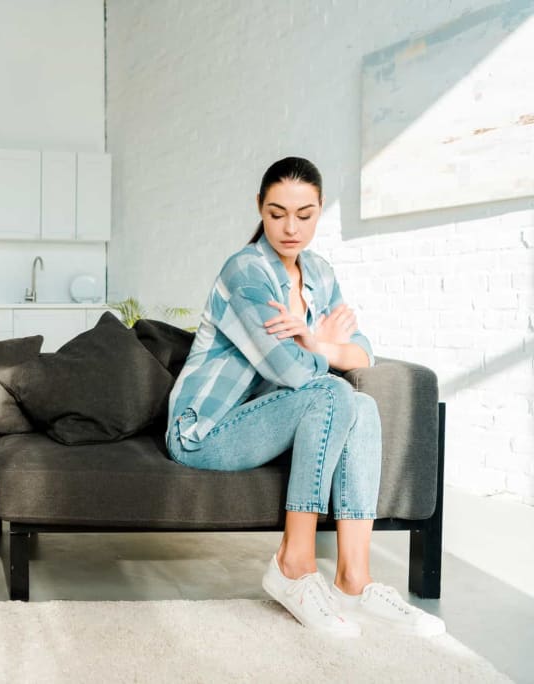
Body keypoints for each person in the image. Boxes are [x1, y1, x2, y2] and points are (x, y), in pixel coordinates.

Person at [167, 157, 444, 637]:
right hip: (205, 430)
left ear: (320, 210)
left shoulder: (318, 272)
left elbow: (363, 352)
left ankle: (354, 580)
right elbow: (289, 370)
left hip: (268, 419)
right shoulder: (246, 272)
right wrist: (324, 349)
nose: (290, 228)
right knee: (332, 391)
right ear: (260, 207)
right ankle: (293, 565)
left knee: (362, 403)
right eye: (276, 214)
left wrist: (314, 341)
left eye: (304, 214)